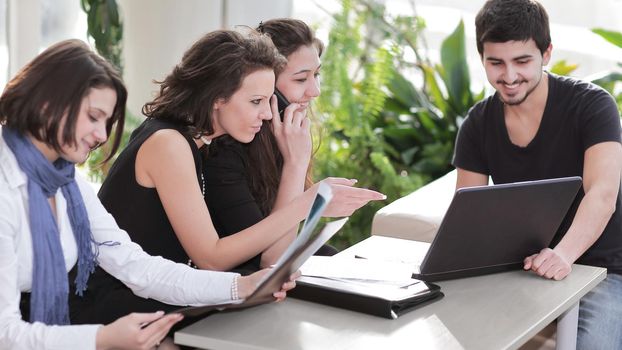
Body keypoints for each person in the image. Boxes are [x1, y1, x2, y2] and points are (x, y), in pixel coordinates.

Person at [0, 39, 295, 350]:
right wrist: (101, 339)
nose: (102, 135)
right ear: (49, 103)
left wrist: (241, 286)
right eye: (93, 116)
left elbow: (139, 267)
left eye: (106, 121)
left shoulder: (67, 185)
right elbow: (5, 332)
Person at [97, 28, 385, 276]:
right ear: (217, 98)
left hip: (161, 292)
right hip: (121, 304)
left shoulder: (194, 143)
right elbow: (211, 258)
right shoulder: (169, 144)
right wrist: (308, 203)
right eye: (257, 101)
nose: (266, 114)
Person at [452, 0, 622, 348]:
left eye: (522, 61)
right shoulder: (477, 124)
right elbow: (467, 217)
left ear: (546, 54)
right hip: (526, 267)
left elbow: (603, 194)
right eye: (496, 63)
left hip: (605, 269)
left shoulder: (592, 105)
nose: (509, 77)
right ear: (481, 57)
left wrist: (562, 255)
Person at [203, 18, 344, 273]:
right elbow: (273, 260)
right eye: (301, 79)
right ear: (266, 85)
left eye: (317, 75)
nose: (315, 91)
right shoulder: (223, 153)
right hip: (239, 282)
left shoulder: (286, 137)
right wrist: (295, 164)